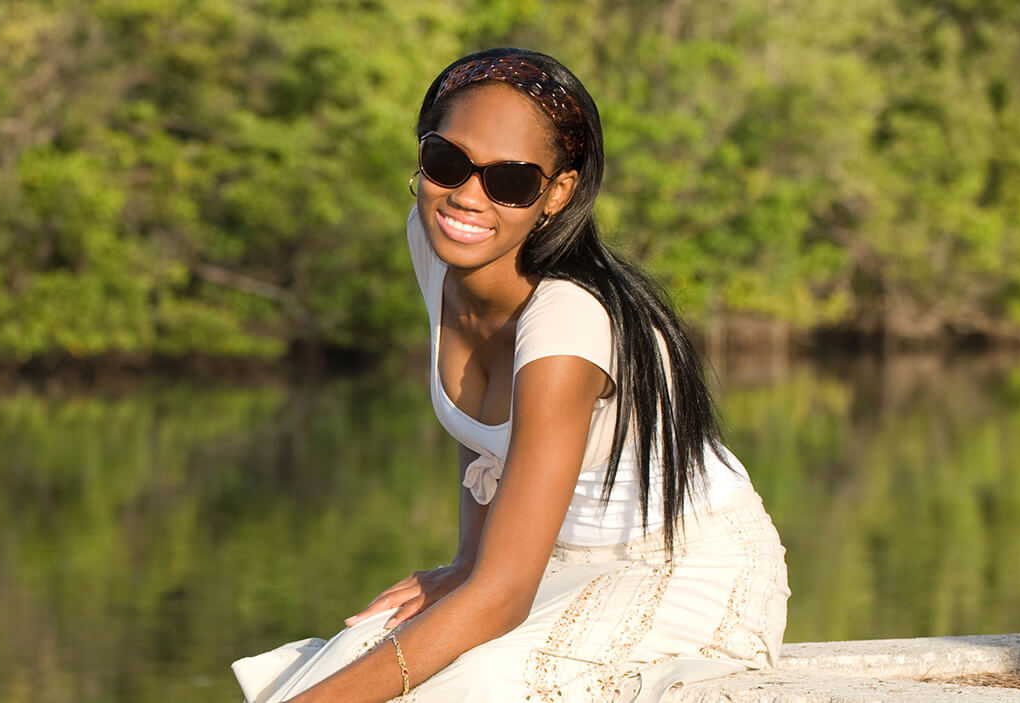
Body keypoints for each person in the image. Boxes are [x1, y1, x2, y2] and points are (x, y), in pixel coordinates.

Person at [231, 47, 790, 703]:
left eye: (511, 181)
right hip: (543, 558)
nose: (468, 196)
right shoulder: (433, 240)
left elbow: (503, 596)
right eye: (447, 162)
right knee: (348, 656)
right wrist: (469, 561)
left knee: (464, 688)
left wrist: (482, 579)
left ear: (557, 192)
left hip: (681, 567)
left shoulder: (568, 324)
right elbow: (484, 441)